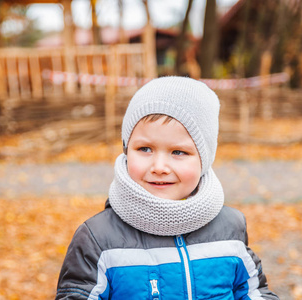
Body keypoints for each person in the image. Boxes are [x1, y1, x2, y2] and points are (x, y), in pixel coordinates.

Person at [56, 76, 279, 300]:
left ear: (204, 160)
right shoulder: (97, 239)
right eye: (145, 149)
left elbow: (254, 292)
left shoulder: (230, 228)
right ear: (126, 150)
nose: (159, 167)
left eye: (178, 152)